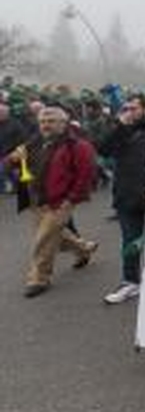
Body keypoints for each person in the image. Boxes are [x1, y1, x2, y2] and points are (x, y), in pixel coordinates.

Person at [4, 107, 98, 297]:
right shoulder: (34, 142)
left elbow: (85, 175)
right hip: (37, 200)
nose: (46, 125)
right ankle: (84, 249)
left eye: (51, 121)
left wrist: (71, 199)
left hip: (61, 201)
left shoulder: (78, 145)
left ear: (64, 123)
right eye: (43, 122)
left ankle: (39, 279)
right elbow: (9, 163)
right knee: (58, 236)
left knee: (43, 240)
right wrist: (12, 159)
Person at [98, 94, 145, 304]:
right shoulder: (121, 129)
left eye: (134, 108)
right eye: (126, 108)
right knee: (131, 242)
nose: (129, 112)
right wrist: (120, 127)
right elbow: (103, 149)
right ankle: (130, 282)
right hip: (127, 194)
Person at [0, 101, 27, 194]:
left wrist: (14, 153)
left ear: (7, 113)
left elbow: (22, 142)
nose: (0, 114)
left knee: (2, 168)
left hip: (10, 154)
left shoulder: (16, 125)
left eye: (2, 112)